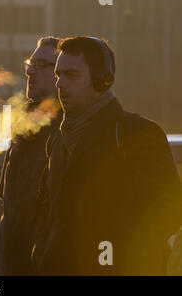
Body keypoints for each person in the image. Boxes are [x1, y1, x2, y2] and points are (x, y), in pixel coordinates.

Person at [31, 36, 182, 275]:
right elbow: (46, 211)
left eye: (71, 75)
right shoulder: (58, 139)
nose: (59, 84)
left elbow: (169, 210)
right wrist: (43, 253)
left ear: (103, 80)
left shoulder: (135, 133)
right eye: (58, 75)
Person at [0, 36, 62, 275]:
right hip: (15, 260)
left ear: (62, 74)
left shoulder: (70, 129)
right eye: (30, 64)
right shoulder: (26, 125)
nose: (30, 72)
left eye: (41, 65)